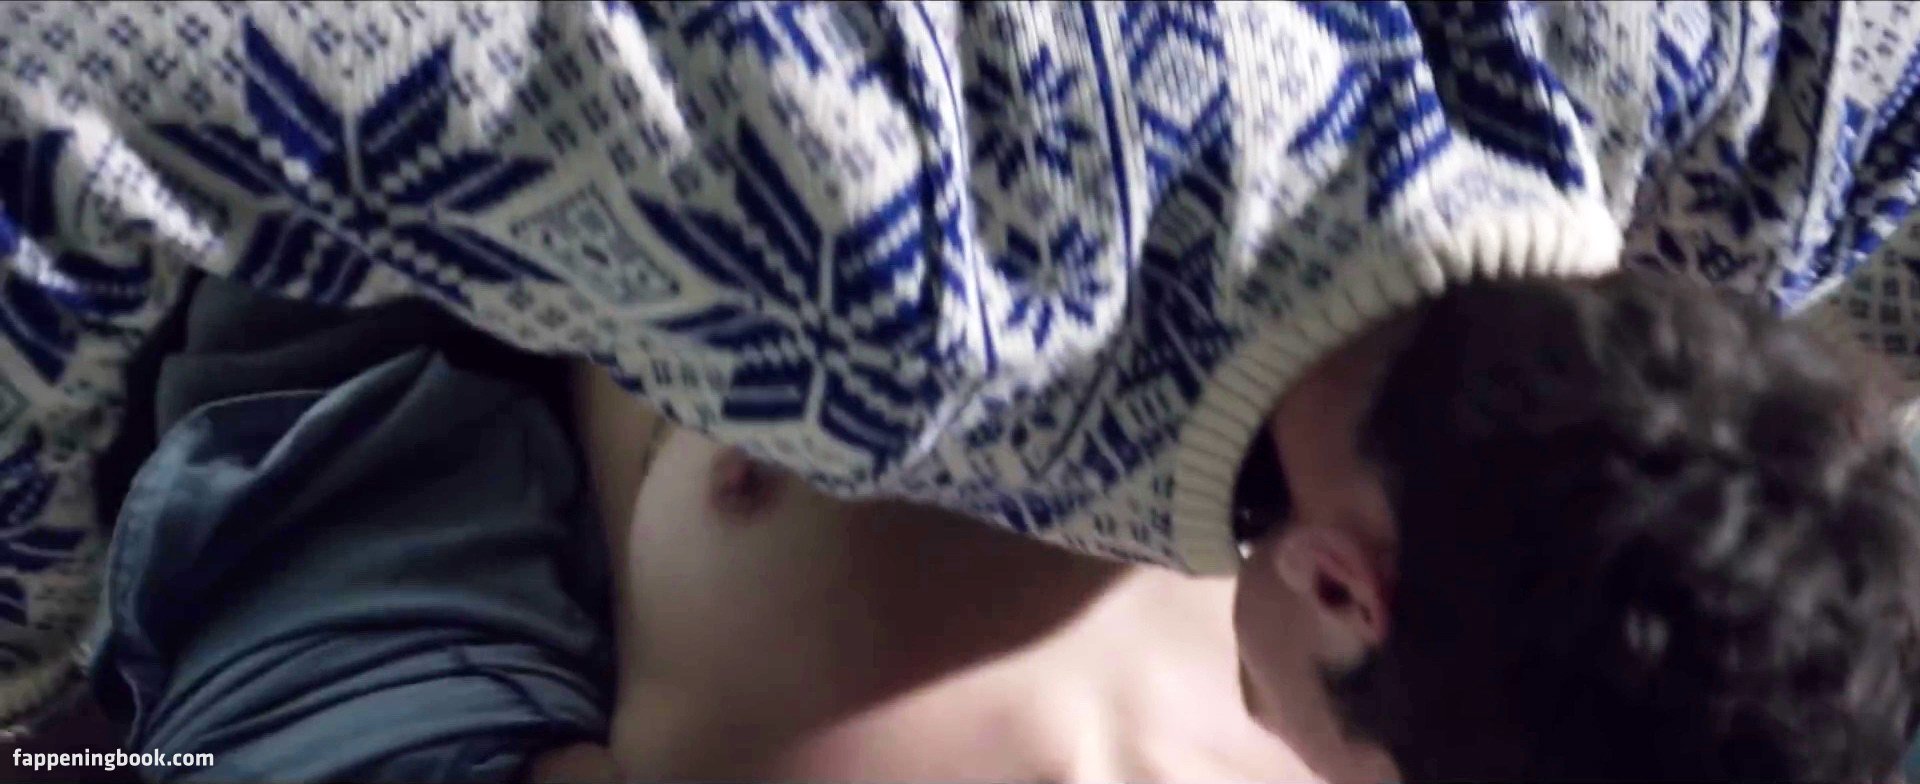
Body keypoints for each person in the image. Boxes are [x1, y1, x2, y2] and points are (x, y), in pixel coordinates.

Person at [6, 1, 1920, 779]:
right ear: (1345, 584)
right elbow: (72, 91)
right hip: (432, 311)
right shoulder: (908, 254)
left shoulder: (1775, 88)